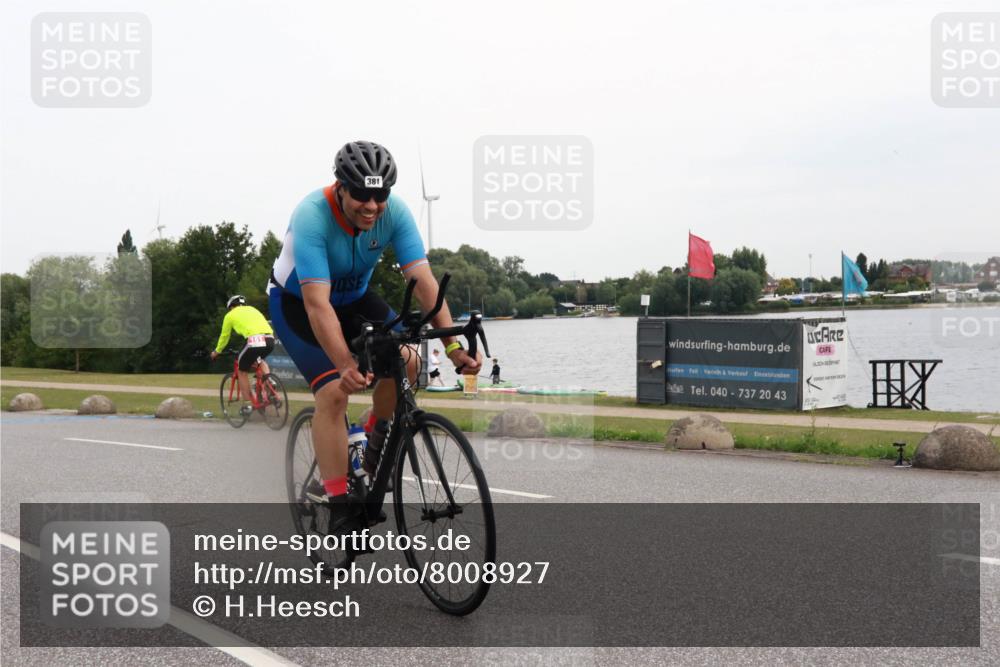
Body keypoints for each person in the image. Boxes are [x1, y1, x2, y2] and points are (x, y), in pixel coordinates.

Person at [268, 140, 481, 522]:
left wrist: (452, 348)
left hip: (355, 298)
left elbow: (424, 281)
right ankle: (339, 505)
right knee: (334, 391)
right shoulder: (311, 216)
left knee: (409, 361)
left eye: (380, 195)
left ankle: (374, 443)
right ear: (341, 188)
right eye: (362, 195)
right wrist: (345, 364)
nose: (371, 205)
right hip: (298, 303)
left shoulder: (395, 212)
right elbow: (318, 305)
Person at [210, 295, 276, 415]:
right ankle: (269, 381)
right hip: (270, 339)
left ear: (231, 306)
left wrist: (217, 352)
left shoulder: (230, 315)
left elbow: (224, 336)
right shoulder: (253, 309)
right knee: (260, 360)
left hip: (254, 340)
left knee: (242, 370)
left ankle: (247, 405)